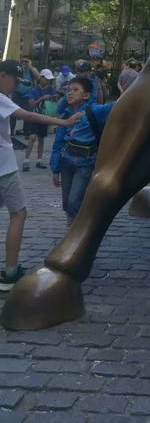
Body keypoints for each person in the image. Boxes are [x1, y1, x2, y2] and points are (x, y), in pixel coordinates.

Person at [0, 59, 83, 291]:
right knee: (19, 213)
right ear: (3, 75)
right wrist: (64, 121)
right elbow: (30, 116)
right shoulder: (1, 99)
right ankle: (10, 273)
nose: (16, 87)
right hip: (4, 167)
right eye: (15, 81)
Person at [50, 77, 114, 227]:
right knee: (67, 202)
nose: (70, 93)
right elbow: (58, 143)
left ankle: (78, 232)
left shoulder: (94, 111)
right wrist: (55, 168)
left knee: (75, 201)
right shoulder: (66, 115)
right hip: (66, 163)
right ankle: (70, 231)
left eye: (75, 90)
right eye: (68, 90)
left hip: (85, 165)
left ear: (86, 95)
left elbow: (117, 106)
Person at [22, 68, 57, 171]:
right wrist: (42, 98)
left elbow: (54, 98)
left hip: (44, 116)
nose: (48, 81)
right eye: (46, 79)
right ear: (41, 78)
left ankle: (39, 160)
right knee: (32, 137)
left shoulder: (50, 88)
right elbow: (31, 104)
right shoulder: (34, 90)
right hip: (35, 116)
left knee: (41, 138)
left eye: (49, 79)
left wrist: (54, 97)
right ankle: (26, 160)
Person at [10, 56, 40, 138]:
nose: (24, 63)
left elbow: (38, 77)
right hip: (16, 95)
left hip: (27, 96)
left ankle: (26, 132)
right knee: (13, 115)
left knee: (27, 114)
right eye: (22, 61)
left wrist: (30, 65)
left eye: (26, 61)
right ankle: (11, 132)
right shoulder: (17, 70)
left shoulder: (32, 70)